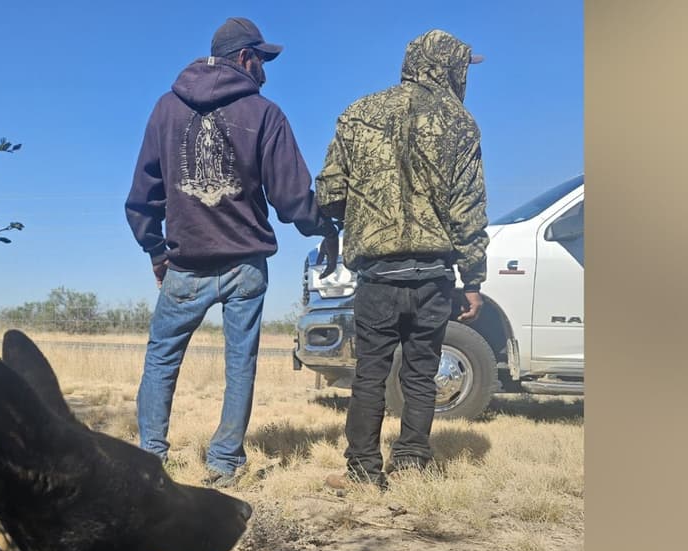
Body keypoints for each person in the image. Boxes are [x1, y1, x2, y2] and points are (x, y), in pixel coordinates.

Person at [126, 17, 337, 488]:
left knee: (161, 359)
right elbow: (292, 199)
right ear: (244, 58)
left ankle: (149, 461)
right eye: (262, 60)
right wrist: (321, 225)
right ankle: (223, 462)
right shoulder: (266, 115)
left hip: (185, 263)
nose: (264, 71)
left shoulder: (165, 109)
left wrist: (156, 251)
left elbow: (143, 197)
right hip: (245, 263)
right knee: (239, 363)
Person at [315, 29, 491, 490]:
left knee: (370, 373)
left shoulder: (358, 114)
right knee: (420, 371)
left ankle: (363, 471)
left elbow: (330, 192)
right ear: (449, 66)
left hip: (377, 274)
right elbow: (468, 209)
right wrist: (472, 278)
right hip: (433, 275)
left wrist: (351, 216)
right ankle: (412, 460)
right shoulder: (461, 124)